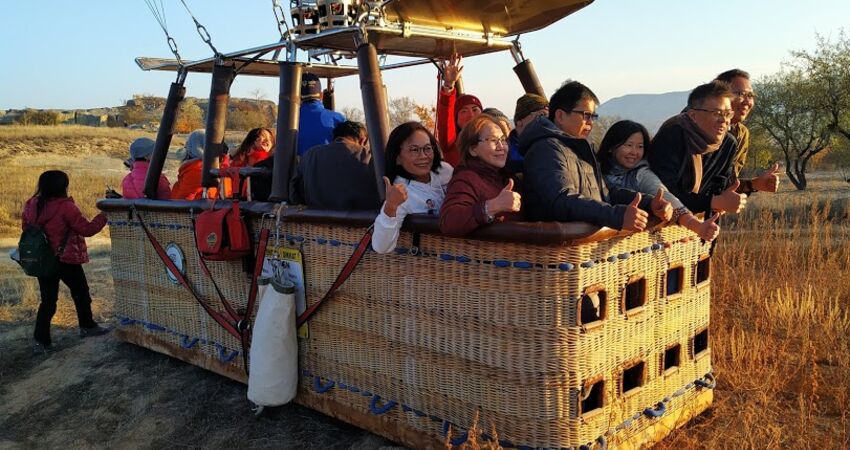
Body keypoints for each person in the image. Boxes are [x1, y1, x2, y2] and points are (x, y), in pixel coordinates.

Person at [521, 81, 669, 230]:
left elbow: (604, 194)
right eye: (586, 115)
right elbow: (561, 201)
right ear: (560, 116)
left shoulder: (578, 149)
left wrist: (648, 203)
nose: (590, 123)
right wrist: (616, 216)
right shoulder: (546, 149)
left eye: (593, 116)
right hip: (559, 248)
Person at [22, 170, 110, 351]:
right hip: (66, 258)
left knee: (48, 301)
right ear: (63, 186)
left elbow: (27, 228)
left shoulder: (31, 204)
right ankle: (87, 326)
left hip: (43, 260)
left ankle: (41, 341)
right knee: (81, 293)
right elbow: (87, 229)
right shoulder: (65, 207)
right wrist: (105, 215)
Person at [599, 120, 720, 241]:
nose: (634, 152)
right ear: (611, 147)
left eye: (640, 147)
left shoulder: (640, 174)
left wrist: (696, 225)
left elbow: (665, 197)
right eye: (628, 145)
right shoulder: (594, 168)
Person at [649, 80, 746, 216]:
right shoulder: (672, 136)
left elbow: (721, 188)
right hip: (662, 224)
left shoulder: (728, 143)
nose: (724, 120)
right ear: (693, 116)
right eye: (717, 113)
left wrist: (747, 189)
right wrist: (712, 202)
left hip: (703, 225)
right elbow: (665, 193)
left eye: (728, 113)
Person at [371, 122, 453, 254]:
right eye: (414, 150)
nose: (423, 156)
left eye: (427, 148)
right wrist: (390, 207)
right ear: (397, 157)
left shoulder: (445, 171)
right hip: (429, 262)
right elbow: (381, 246)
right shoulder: (400, 193)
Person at [439, 114, 522, 237]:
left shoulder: (505, 176)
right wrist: (492, 206)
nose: (501, 147)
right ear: (473, 149)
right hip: (486, 254)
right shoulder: (466, 179)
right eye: (493, 140)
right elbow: (448, 221)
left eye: (503, 139)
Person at [714, 69, 780, 193]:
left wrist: (754, 185)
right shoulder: (690, 127)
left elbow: (725, 185)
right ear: (719, 95)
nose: (747, 102)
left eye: (750, 96)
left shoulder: (741, 133)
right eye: (739, 94)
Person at [290, 121, 380, 210]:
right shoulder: (370, 156)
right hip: (363, 221)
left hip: (316, 219)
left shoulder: (310, 155)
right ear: (362, 140)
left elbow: (295, 193)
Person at [437, 53, 483, 166]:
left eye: (475, 109)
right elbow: (445, 118)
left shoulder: (493, 140)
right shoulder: (451, 143)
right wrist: (448, 85)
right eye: (463, 111)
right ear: (455, 119)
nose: (471, 115)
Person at [298, 73, 346, 157]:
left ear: (298, 95)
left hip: (299, 169)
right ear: (321, 95)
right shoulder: (338, 119)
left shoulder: (286, 121)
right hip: (331, 168)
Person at [170, 130, 220, 200]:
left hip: (188, 209)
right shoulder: (212, 166)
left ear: (194, 147)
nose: (186, 147)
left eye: (188, 144)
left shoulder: (196, 170)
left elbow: (182, 201)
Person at [507, 93, 549, 174]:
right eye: (541, 116)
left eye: (548, 117)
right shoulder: (505, 152)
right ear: (520, 121)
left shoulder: (549, 144)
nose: (546, 122)